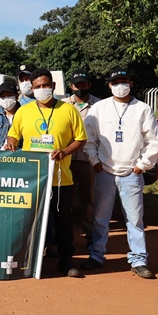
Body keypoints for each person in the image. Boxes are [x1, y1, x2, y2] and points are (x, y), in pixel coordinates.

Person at [80, 69, 158, 279]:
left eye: (124, 81)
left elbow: (153, 141)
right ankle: (97, 255)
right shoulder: (99, 108)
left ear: (131, 83)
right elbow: (89, 139)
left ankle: (138, 259)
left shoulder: (142, 109)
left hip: (131, 173)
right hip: (105, 171)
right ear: (109, 85)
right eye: (115, 82)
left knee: (134, 219)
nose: (120, 85)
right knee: (101, 217)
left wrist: (142, 165)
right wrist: (95, 162)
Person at [6, 68, 87, 277]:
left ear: (53, 86)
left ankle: (65, 260)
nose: (42, 89)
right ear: (31, 90)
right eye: (37, 87)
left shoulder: (68, 110)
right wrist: (12, 144)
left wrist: (65, 151)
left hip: (61, 178)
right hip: (32, 179)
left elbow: (81, 139)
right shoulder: (23, 111)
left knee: (63, 222)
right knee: (29, 221)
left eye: (45, 85)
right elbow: (13, 135)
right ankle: (28, 260)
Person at [63, 69, 100, 246]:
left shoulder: (99, 106)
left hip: (88, 160)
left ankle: (90, 234)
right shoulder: (62, 105)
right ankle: (65, 235)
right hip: (66, 159)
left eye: (84, 85)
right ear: (71, 86)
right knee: (65, 200)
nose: (80, 88)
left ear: (89, 85)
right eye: (77, 85)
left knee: (89, 200)